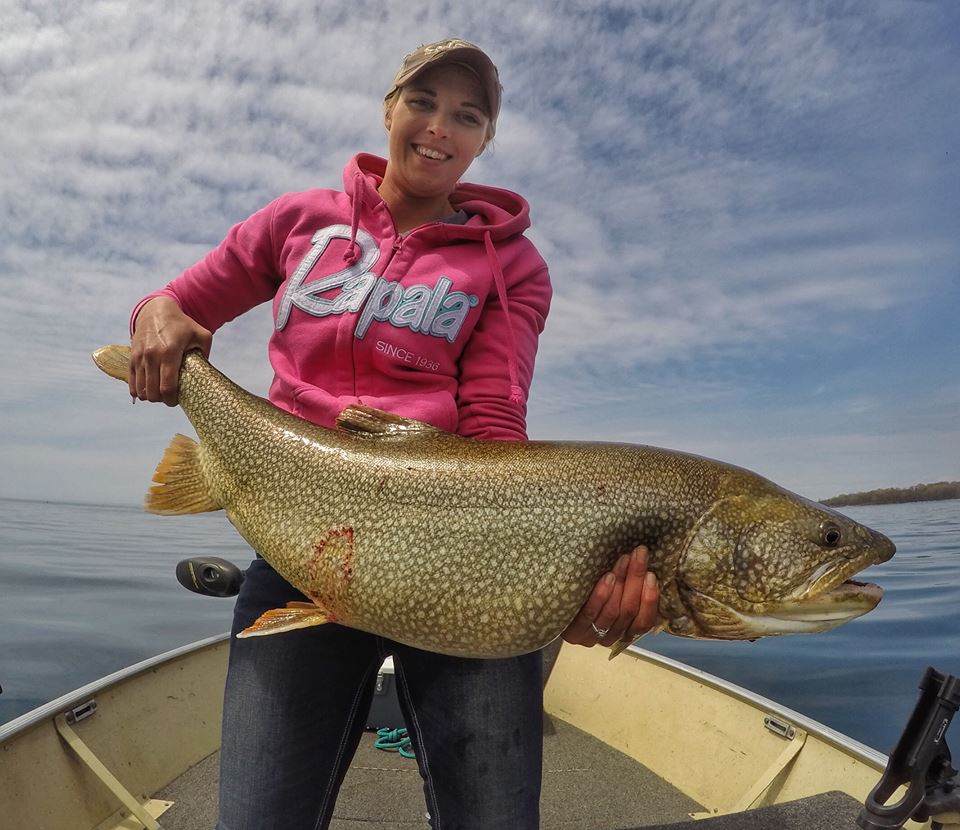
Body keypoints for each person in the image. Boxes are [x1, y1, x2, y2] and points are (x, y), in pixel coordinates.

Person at [128, 38, 660, 830]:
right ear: (389, 110)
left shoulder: (511, 266)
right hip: (298, 552)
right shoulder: (296, 221)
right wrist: (156, 316)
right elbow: (174, 305)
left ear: (485, 140)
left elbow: (491, 426)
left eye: (467, 115)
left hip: (455, 568)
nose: (440, 127)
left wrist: (548, 592)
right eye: (423, 103)